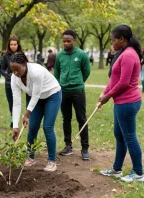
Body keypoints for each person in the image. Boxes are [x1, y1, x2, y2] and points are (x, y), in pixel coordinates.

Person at [99, 24, 144, 183]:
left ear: (122, 39)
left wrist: (107, 97)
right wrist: (105, 92)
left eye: (113, 40)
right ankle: (116, 168)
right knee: (119, 135)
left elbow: (124, 83)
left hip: (127, 102)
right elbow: (114, 78)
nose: (111, 43)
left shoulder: (128, 55)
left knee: (129, 137)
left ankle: (138, 173)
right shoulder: (123, 53)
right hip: (121, 102)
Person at [10, 53, 61, 172]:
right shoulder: (14, 78)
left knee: (47, 126)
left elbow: (36, 95)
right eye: (13, 70)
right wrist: (15, 126)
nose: (16, 73)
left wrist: (27, 114)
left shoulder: (36, 72)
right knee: (32, 127)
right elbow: (16, 102)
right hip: (36, 98)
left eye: (17, 70)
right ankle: (30, 157)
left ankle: (51, 161)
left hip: (52, 95)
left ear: (24, 64)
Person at [54, 30, 91, 160]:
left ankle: (85, 148)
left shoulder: (81, 55)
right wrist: (60, 84)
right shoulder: (59, 55)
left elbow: (86, 71)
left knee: (82, 119)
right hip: (63, 91)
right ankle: (68, 146)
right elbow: (57, 72)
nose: (66, 43)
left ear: (74, 41)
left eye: (68, 41)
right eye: (64, 41)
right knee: (66, 119)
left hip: (78, 92)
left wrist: (78, 82)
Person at [1, 35, 24, 128]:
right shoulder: (5, 56)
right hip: (8, 83)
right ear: (9, 45)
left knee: (16, 101)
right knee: (11, 102)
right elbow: (2, 69)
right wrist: (6, 75)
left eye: (15, 44)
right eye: (11, 44)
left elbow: (26, 67)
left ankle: (16, 119)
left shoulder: (22, 55)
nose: (13, 46)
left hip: (19, 82)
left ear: (18, 45)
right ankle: (13, 118)